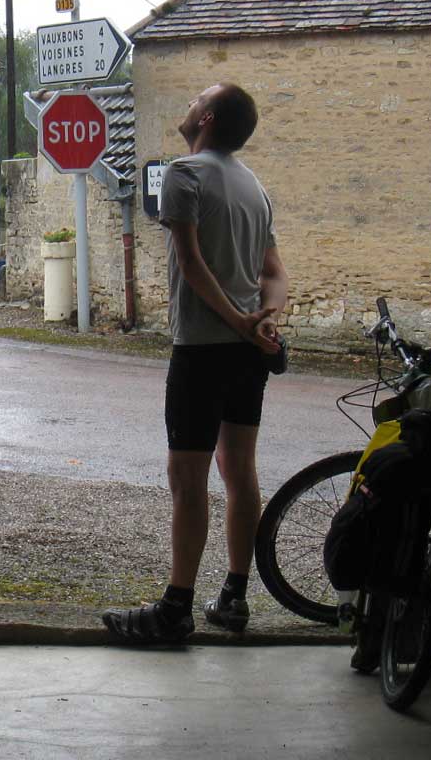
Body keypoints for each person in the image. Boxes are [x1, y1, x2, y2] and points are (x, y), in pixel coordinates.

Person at [103, 82, 287, 643]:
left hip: (202, 351)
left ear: (205, 119)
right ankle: (234, 597)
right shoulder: (254, 186)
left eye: (193, 101)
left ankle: (175, 607)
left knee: (187, 478)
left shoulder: (183, 175)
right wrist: (265, 322)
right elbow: (274, 271)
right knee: (240, 472)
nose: (184, 106)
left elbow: (190, 260)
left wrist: (236, 320)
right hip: (249, 355)